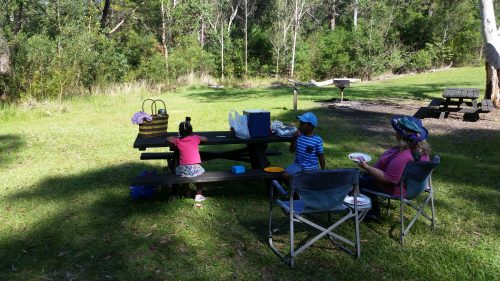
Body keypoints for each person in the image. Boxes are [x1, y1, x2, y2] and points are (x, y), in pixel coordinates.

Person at [357, 115, 431, 220]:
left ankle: (371, 212)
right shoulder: (423, 151)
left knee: (357, 182)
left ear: (401, 136)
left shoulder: (403, 156)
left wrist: (367, 167)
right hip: (417, 187)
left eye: (397, 131)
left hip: (399, 190)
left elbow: (388, 179)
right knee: (365, 177)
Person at [167, 117, 208, 202]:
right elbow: (205, 139)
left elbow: (168, 138)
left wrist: (176, 137)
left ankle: (186, 191)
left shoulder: (178, 140)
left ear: (180, 132)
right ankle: (199, 194)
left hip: (183, 168)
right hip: (195, 168)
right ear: (191, 131)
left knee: (184, 176)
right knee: (201, 177)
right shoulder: (195, 138)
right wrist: (197, 136)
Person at [283, 112, 326, 184]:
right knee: (285, 175)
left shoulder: (317, 140)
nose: (300, 126)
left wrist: (323, 171)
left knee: (309, 183)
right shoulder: (299, 136)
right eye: (300, 123)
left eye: (303, 124)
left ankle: (300, 190)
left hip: (312, 168)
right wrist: (294, 139)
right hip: (298, 165)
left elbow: (321, 156)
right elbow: (291, 150)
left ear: (311, 126)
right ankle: (296, 191)